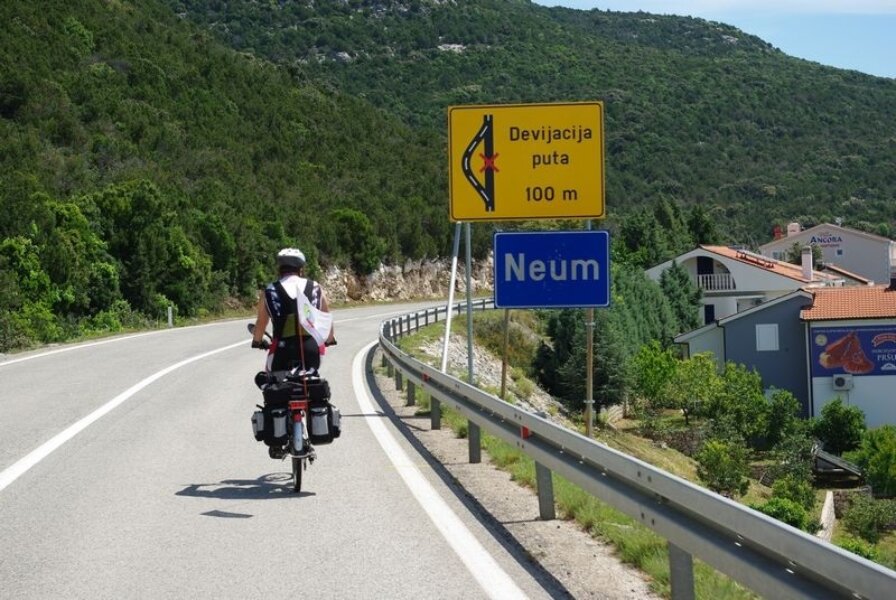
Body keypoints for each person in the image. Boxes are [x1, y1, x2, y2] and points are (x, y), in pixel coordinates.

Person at [252, 247, 334, 373]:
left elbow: (262, 322)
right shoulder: (315, 287)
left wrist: (257, 341)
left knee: (271, 377)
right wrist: (330, 339)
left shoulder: (269, 290)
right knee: (313, 378)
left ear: (279, 269)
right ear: (301, 269)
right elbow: (326, 318)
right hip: (311, 349)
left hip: (282, 351)